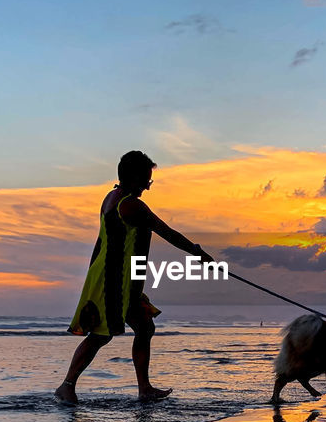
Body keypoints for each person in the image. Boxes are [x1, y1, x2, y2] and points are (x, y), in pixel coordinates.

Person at [55, 150, 213, 404]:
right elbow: (167, 232)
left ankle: (144, 388)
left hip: (123, 279)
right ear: (133, 177)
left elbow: (104, 243)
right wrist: (200, 254)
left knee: (145, 327)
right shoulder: (130, 205)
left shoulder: (111, 197)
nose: (147, 188)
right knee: (100, 335)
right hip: (113, 281)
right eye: (146, 181)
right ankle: (66, 386)